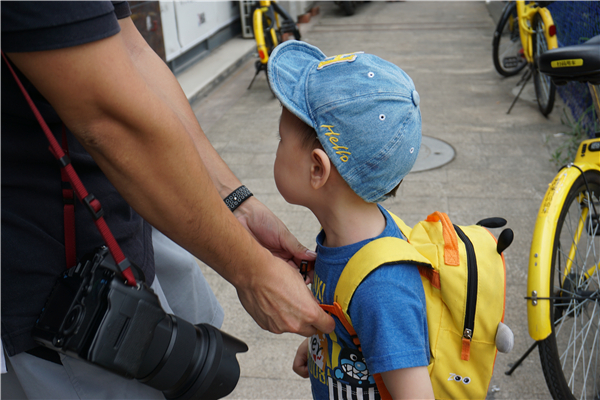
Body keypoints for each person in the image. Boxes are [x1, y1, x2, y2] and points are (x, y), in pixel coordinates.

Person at [1, 2, 334, 398]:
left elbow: (130, 49)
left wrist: (235, 202)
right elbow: (109, 120)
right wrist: (252, 271)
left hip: (121, 232)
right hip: (61, 295)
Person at [267, 41, 435, 399]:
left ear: (317, 168)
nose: (276, 146)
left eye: (280, 139)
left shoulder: (383, 289)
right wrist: (327, 350)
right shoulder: (341, 240)